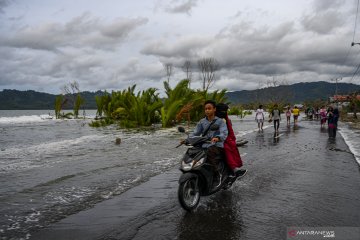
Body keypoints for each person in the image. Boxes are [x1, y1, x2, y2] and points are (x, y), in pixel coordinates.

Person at [188, 100, 228, 186]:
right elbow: (195, 133)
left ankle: (218, 175)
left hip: (217, 145)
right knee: (192, 151)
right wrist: (187, 139)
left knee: (209, 152)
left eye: (209, 108)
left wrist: (217, 138)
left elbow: (224, 133)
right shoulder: (202, 122)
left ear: (214, 109)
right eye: (205, 109)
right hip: (204, 144)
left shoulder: (220, 121)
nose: (207, 110)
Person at [216, 103, 247, 178]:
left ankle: (234, 169)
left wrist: (222, 138)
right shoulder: (208, 119)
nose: (223, 112)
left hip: (224, 139)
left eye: (224, 111)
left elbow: (227, 132)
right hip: (214, 139)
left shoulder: (225, 119)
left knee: (227, 149)